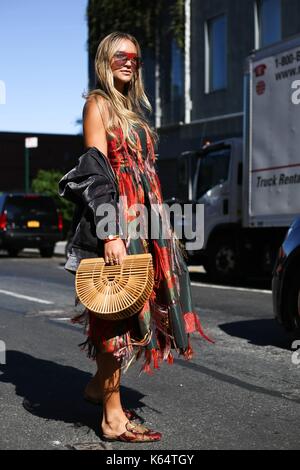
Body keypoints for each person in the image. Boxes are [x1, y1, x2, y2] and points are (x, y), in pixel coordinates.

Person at [62, 31, 212, 443]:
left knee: (135, 311)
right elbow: (94, 171)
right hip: (120, 223)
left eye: (136, 58)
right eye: (121, 56)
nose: (129, 62)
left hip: (149, 225)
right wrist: (110, 232)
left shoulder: (133, 110)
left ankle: (98, 388)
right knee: (114, 317)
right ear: (105, 60)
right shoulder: (98, 104)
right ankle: (112, 418)